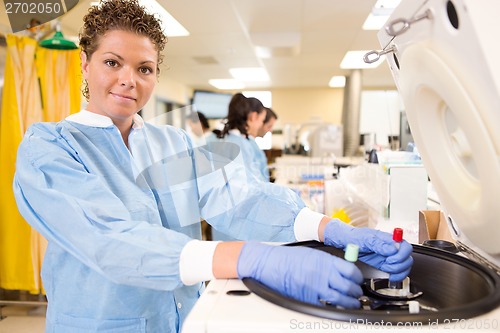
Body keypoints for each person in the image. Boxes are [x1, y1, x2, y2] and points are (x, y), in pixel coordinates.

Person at [13, 1, 413, 332]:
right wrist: (250, 258)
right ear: (85, 63)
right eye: (112, 62)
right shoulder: (49, 147)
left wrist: (327, 229)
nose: (129, 80)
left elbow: (236, 197)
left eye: (144, 68)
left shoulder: (173, 142)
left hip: (185, 319)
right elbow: (109, 238)